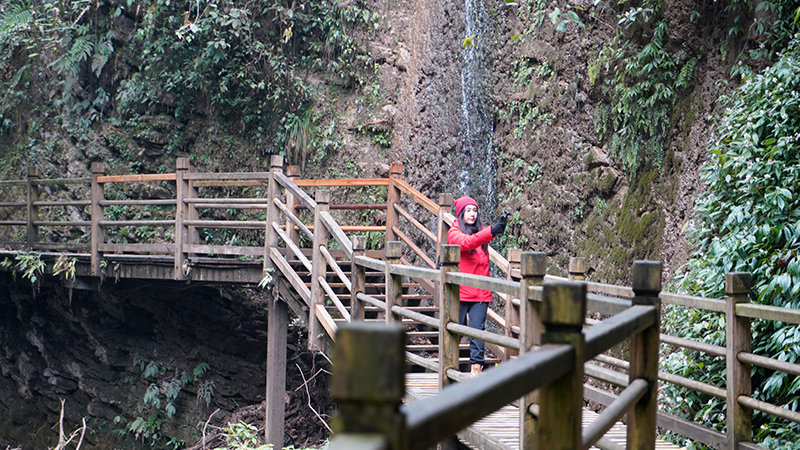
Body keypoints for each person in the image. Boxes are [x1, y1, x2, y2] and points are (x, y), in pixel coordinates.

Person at [447, 196, 507, 376]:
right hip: (461, 291)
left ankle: (476, 371)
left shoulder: (480, 231)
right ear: (461, 213)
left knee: (477, 332)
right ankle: (449, 367)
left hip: (480, 292)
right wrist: (491, 232)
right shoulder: (454, 231)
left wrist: (492, 230)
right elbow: (465, 242)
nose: (472, 214)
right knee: (454, 329)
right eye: (468, 210)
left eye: (475, 210)